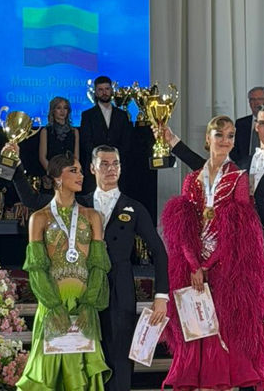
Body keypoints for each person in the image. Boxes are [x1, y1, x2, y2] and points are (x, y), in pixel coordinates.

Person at [160, 103, 264, 391]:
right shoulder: (244, 162)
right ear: (255, 127)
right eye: (262, 123)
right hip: (236, 258)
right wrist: (173, 143)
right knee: (242, 331)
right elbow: (208, 168)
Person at [9, 143, 170, 390]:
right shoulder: (77, 201)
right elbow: (32, 200)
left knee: (119, 356)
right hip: (82, 290)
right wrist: (14, 163)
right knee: (83, 359)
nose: (111, 169)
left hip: (119, 290)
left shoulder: (134, 207)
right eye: (104, 164)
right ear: (93, 168)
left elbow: (159, 252)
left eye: (115, 164)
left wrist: (161, 297)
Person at [16, 154, 111, 390]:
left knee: (81, 375)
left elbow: (98, 265)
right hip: (52, 304)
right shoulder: (39, 218)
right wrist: (53, 305)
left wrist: (89, 304)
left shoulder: (93, 216)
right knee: (48, 374)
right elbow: (36, 268)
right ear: (57, 178)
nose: (81, 176)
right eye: (73, 171)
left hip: (83, 305)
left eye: (80, 171)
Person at [79, 76, 132, 193]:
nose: (104, 92)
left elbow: (126, 141)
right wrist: (100, 158)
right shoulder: (87, 115)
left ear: (111, 90)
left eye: (107, 89)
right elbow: (86, 141)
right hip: (96, 168)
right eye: (100, 89)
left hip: (118, 168)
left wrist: (115, 158)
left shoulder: (122, 115)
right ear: (95, 92)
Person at [39, 96, 79, 173]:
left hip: (70, 173)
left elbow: (76, 157)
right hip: (52, 173)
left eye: (65, 108)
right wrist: (53, 174)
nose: (62, 111)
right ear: (53, 111)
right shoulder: (46, 131)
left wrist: (71, 172)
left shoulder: (74, 131)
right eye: (59, 108)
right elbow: (42, 158)